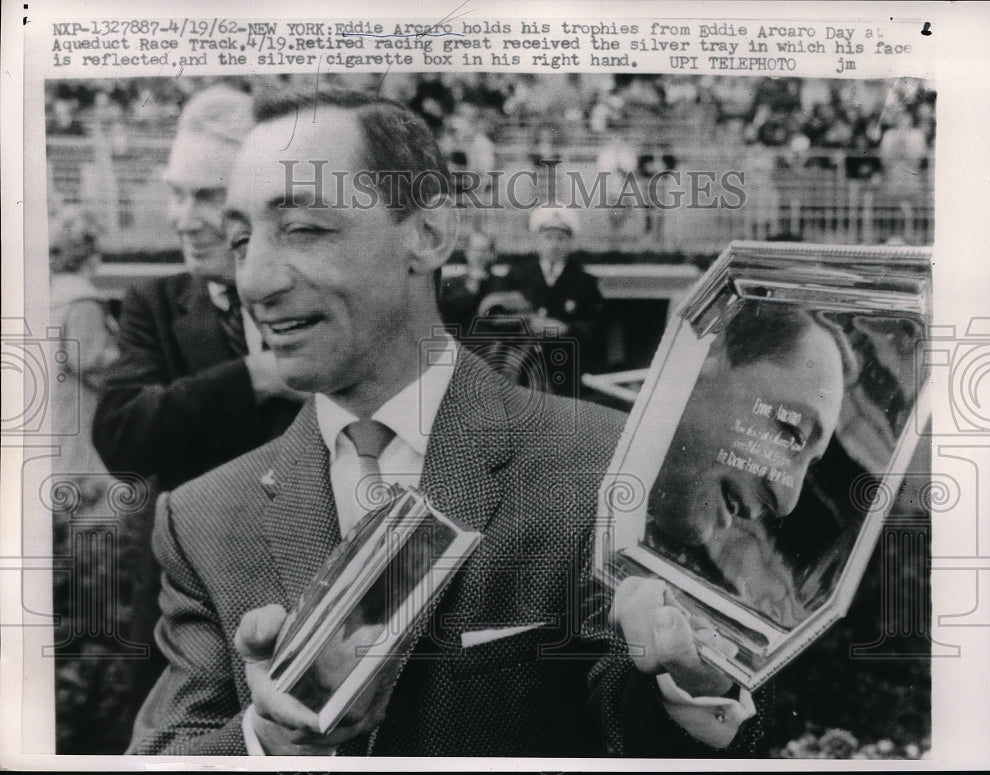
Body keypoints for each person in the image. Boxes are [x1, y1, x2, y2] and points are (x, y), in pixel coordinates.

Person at [126, 87, 768, 757]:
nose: (255, 280)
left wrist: (690, 682)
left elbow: (656, 738)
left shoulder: (604, 464)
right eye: (240, 239)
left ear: (429, 234)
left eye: (304, 229)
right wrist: (268, 738)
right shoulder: (199, 522)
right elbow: (165, 750)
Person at [90, 84, 306, 717]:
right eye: (176, 193)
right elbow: (122, 430)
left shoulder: (316, 297)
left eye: (207, 196)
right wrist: (253, 378)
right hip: (189, 603)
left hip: (308, 586)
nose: (183, 218)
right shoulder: (154, 305)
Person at [644, 302, 849, 626]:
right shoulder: (552, 461)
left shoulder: (708, 602)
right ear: (710, 355)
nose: (786, 502)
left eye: (809, 466)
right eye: (791, 431)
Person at [481, 206, 607, 397]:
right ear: (538, 240)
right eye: (548, 238)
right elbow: (494, 318)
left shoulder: (585, 282)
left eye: (561, 238)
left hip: (566, 371)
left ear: (570, 242)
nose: (554, 244)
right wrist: (527, 323)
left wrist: (566, 328)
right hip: (522, 371)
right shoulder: (517, 276)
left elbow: (597, 325)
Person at [49, 205, 120, 481]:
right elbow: (88, 360)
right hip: (80, 409)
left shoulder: (54, 297)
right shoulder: (83, 301)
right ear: (90, 256)